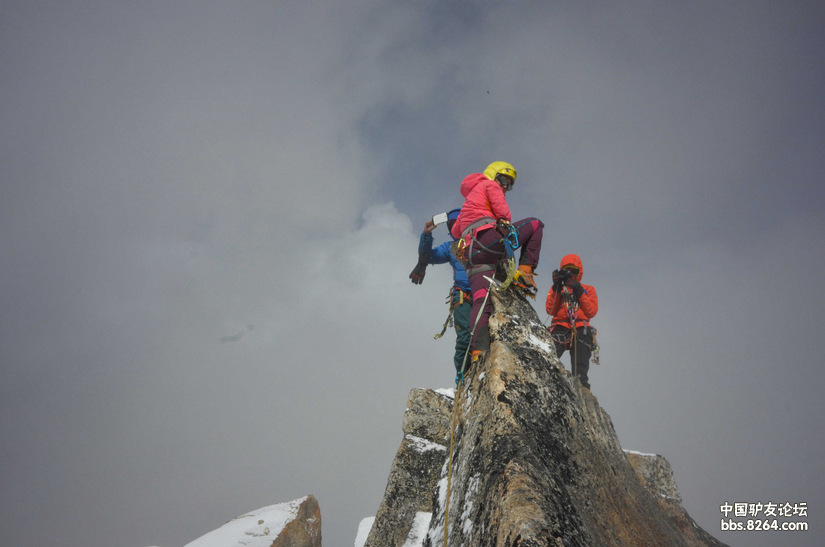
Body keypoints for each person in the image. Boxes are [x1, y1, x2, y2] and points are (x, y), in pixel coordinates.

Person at [450, 161, 544, 368]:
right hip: (489, 242)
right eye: (503, 180)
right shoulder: (489, 185)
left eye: (509, 185)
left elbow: (456, 232)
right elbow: (505, 215)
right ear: (493, 175)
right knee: (536, 224)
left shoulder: (468, 203)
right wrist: (497, 220)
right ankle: (526, 271)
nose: (504, 187)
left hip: (472, 256)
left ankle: (478, 350)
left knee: (481, 300)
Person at [409, 209, 472, 382]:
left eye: (457, 223)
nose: (455, 228)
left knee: (476, 334)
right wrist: (426, 235)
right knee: (465, 336)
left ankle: (466, 372)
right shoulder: (451, 247)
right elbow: (429, 256)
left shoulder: (479, 239)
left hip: (479, 292)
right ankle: (462, 373)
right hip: (463, 295)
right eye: (451, 225)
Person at [546, 254, 599, 389]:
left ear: (579, 272)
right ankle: (548, 380)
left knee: (580, 372)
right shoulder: (558, 289)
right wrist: (556, 288)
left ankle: (582, 390)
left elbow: (591, 311)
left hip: (581, 327)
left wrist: (579, 291)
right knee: (549, 357)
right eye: (567, 272)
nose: (571, 275)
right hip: (560, 325)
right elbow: (550, 310)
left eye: (574, 272)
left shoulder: (588, 289)